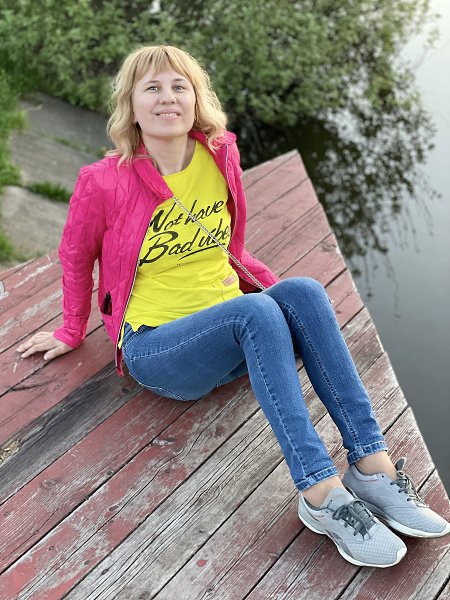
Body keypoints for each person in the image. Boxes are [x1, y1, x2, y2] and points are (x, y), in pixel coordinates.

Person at [16, 45, 449, 568]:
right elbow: (74, 256)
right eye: (151, 88)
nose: (167, 97)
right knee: (258, 311)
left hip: (234, 333)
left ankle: (373, 468)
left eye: (179, 86)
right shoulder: (104, 180)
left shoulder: (220, 155)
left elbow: (231, 247)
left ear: (196, 98)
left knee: (305, 292)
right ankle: (321, 493)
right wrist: (69, 331)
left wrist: (284, 304)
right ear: (131, 106)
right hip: (160, 348)